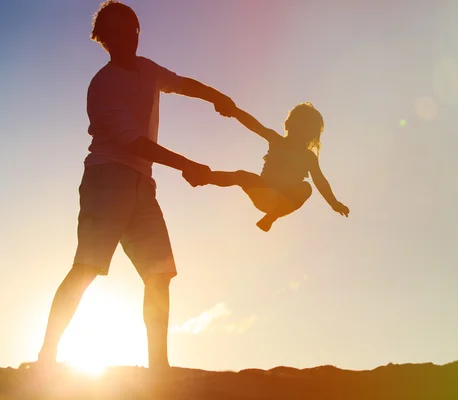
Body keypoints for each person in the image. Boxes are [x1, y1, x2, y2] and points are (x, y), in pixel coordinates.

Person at [25, 0, 235, 371]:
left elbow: (182, 84)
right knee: (86, 267)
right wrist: (186, 165)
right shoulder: (102, 86)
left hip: (143, 184)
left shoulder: (148, 69)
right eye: (122, 31)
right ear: (106, 39)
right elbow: (133, 142)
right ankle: (46, 357)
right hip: (106, 180)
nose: (132, 37)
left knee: (160, 274)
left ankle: (159, 367)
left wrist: (216, 96)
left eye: (135, 29)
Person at [199, 102, 350, 232]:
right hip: (262, 189)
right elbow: (254, 125)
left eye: (305, 130)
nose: (299, 134)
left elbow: (320, 182)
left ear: (310, 136)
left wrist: (334, 203)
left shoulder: (308, 157)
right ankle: (205, 177)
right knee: (242, 175)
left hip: (284, 199)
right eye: (297, 127)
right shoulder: (276, 140)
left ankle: (271, 217)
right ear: (288, 125)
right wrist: (234, 111)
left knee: (306, 188)